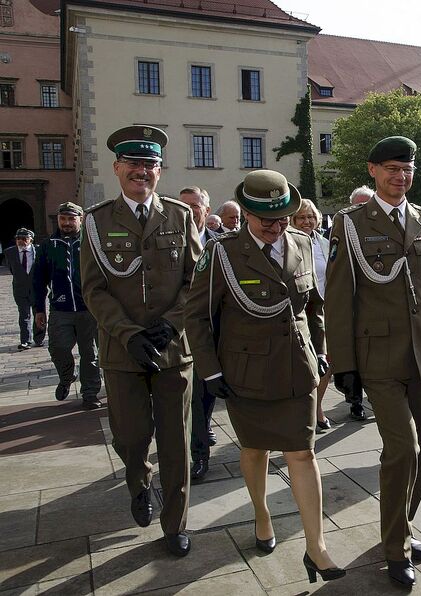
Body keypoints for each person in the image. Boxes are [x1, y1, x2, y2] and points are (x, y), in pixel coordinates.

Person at [325, 136, 421, 587]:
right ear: (372, 171)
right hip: (377, 356)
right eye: (391, 168)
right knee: (403, 449)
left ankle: (402, 528)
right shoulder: (350, 223)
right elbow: (338, 298)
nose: (400, 177)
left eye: (407, 169)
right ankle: (395, 549)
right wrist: (344, 363)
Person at [185, 170, 344, 582]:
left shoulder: (305, 244)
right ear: (249, 214)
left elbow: (314, 307)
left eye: (283, 220)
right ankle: (261, 514)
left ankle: (317, 547)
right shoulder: (220, 253)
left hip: (296, 367)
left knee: (303, 453)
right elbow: (197, 316)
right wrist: (210, 369)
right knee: (255, 451)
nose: (276, 228)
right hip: (245, 371)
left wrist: (321, 350)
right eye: (266, 222)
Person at [80, 125, 201, 557]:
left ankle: (176, 522)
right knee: (131, 437)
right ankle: (138, 481)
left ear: (159, 171)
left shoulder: (180, 216)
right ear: (117, 168)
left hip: (172, 352)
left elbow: (194, 280)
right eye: (133, 164)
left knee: (176, 442)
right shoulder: (96, 222)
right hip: (122, 351)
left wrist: (171, 324)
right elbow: (94, 290)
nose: (141, 171)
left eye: (149, 165)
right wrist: (129, 335)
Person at [32, 202, 102, 409]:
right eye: (63, 219)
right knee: (58, 348)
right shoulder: (48, 245)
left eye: (71, 218)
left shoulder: (90, 242)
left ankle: (90, 393)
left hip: (88, 308)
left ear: (80, 219)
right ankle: (66, 376)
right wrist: (38, 309)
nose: (67, 223)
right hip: (60, 308)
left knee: (90, 354)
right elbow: (38, 279)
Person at [178, 186, 220, 481]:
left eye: (194, 206)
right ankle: (192, 453)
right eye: (183, 206)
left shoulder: (223, 244)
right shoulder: (167, 242)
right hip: (176, 334)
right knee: (184, 401)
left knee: (204, 398)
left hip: (212, 334)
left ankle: (200, 451)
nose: (189, 211)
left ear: (206, 210)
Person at [291, 199, 334, 433]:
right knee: (305, 364)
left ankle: (317, 407)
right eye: (301, 218)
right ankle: (304, 411)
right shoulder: (287, 243)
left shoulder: (325, 244)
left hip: (325, 310)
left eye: (310, 217)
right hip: (301, 311)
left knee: (326, 362)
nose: (307, 222)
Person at [339, 185, 375, 422]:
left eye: (366, 204)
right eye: (358, 204)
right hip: (352, 311)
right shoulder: (344, 230)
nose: (363, 209)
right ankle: (356, 402)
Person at [5, 228, 45, 350]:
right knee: (24, 315)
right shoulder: (9, 252)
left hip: (37, 288)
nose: (21, 241)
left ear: (31, 240)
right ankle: (25, 340)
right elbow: (11, 268)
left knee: (39, 313)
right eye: (18, 239)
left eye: (24, 238)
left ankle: (39, 339)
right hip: (20, 288)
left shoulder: (39, 250)